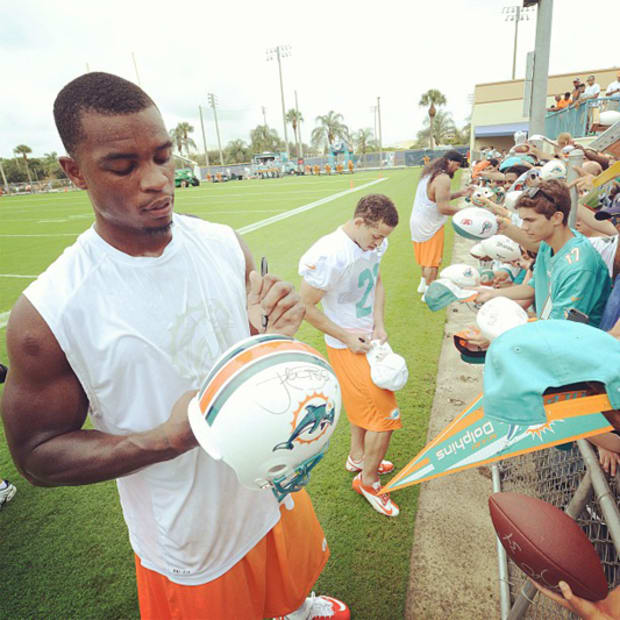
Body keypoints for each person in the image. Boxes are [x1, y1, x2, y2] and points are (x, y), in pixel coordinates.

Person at [0, 72, 349, 620]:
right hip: (191, 536)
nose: (157, 179)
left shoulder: (221, 242)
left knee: (288, 590)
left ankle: (294, 608)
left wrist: (268, 338)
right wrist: (165, 439)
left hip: (268, 485)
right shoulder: (48, 311)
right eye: (124, 165)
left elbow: (242, 353)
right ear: (75, 172)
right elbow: (37, 455)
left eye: (163, 156)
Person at [298, 194, 401, 517]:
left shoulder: (372, 244)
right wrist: (346, 336)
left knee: (364, 408)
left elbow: (377, 282)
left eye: (383, 237)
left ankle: (358, 457)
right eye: (376, 235)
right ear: (359, 223)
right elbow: (304, 307)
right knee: (385, 417)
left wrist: (379, 324)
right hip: (347, 344)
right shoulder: (330, 254)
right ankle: (368, 482)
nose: (379, 243)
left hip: (369, 338)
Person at [474, 179, 611, 329]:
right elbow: (533, 288)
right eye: (522, 220)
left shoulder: (579, 267)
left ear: (556, 218)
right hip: (549, 335)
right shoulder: (549, 243)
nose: (524, 227)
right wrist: (490, 293)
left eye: (530, 220)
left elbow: (561, 328)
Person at [410, 150, 470, 298]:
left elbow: (438, 196)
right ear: (450, 162)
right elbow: (443, 207)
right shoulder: (443, 178)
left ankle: (423, 285)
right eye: (457, 165)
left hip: (417, 222)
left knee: (425, 258)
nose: (457, 168)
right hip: (430, 225)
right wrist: (465, 212)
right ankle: (429, 293)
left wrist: (460, 193)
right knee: (432, 261)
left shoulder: (429, 174)